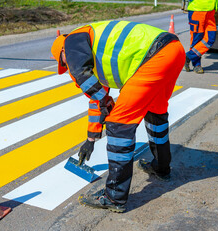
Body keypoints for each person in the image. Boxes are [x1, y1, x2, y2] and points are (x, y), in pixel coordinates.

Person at [51, 20, 185, 212]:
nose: (68, 68)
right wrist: (91, 138)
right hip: (173, 50)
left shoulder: (72, 40)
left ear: (63, 52)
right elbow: (97, 99)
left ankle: (114, 197)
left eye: (64, 62)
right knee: (156, 113)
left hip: (155, 55)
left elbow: (81, 75)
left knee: (119, 123)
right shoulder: (94, 51)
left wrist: (106, 101)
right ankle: (161, 168)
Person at [184, 0, 218, 74]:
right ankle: (197, 65)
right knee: (196, 40)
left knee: (210, 39)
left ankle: (188, 56)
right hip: (197, 10)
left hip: (210, 11)